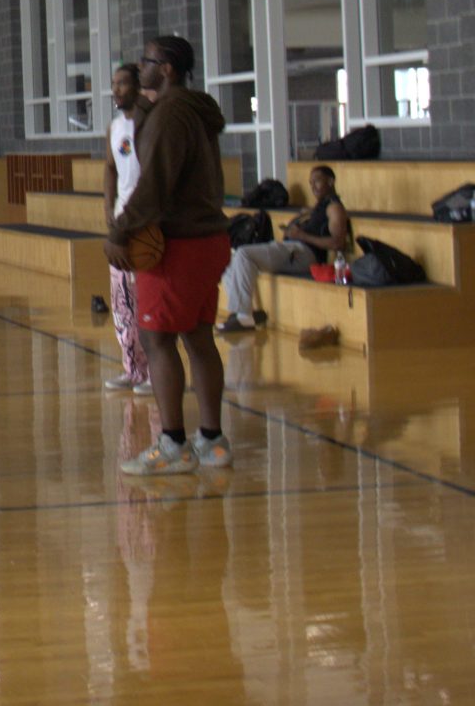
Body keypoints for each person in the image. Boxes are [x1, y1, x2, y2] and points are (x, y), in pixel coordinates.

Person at [103, 35, 234, 474]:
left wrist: (120, 230)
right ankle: (213, 440)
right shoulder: (191, 110)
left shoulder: (171, 116)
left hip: (179, 243)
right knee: (198, 337)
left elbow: (154, 185)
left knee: (157, 340)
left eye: (148, 60)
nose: (140, 68)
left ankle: (173, 442)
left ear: (169, 69)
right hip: (209, 238)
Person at [219, 164, 352, 334]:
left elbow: (338, 243)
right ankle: (242, 313)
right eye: (310, 183)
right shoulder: (318, 207)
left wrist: (301, 235)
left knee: (244, 254)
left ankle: (243, 316)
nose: (313, 186)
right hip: (293, 248)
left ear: (331, 181)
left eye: (317, 181)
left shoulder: (334, 207)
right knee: (232, 259)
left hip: (305, 254)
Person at [99, 62, 150, 395]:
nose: (116, 89)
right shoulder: (115, 127)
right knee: (122, 302)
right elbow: (109, 168)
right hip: (121, 221)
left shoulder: (150, 124)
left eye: (122, 83)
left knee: (147, 299)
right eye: (113, 83)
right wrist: (108, 207)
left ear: (137, 86)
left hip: (146, 221)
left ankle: (157, 373)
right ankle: (133, 368)